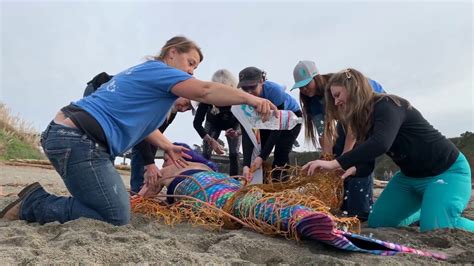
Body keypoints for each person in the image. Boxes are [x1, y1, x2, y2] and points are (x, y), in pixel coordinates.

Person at [0, 35, 278, 226]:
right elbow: (206, 90)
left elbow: (142, 127)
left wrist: (167, 146)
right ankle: (32, 204)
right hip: (79, 140)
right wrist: (250, 98)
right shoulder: (162, 72)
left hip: (67, 135)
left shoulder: (145, 74)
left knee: (108, 204)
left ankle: (37, 203)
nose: (192, 72)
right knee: (115, 216)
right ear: (172, 53)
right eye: (191, 63)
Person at [134, 147, 446, 260]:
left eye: (172, 154)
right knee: (246, 201)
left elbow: (148, 193)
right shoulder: (181, 167)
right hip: (209, 186)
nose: (167, 157)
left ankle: (302, 217)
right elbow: (147, 195)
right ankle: (300, 216)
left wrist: (151, 187)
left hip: (205, 187)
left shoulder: (178, 163)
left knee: (242, 202)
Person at [302, 68, 473, 232]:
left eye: (337, 95)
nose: (336, 101)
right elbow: (368, 161)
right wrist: (352, 168)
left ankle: (434, 212)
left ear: (352, 88)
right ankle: (426, 210)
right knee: (378, 223)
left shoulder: (388, 104)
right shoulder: (362, 120)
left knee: (434, 228)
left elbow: (380, 143)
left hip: (446, 173)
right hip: (409, 178)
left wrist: (335, 162)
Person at [291, 60, 385, 221]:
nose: (304, 89)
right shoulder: (313, 102)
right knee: (337, 155)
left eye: (307, 84)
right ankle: (345, 205)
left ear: (317, 77)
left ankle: (361, 211)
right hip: (347, 122)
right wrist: (328, 159)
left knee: (357, 156)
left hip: (371, 107)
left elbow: (353, 129)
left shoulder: (338, 86)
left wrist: (344, 159)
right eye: (300, 87)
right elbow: (324, 133)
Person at [82, 73, 194, 193]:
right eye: (186, 103)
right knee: (107, 136)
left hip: (122, 107)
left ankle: (137, 190)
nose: (183, 109)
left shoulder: (172, 112)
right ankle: (96, 184)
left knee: (140, 151)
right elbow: (142, 133)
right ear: (181, 93)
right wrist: (149, 164)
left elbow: (155, 138)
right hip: (100, 88)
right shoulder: (159, 100)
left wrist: (150, 164)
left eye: (187, 109)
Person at [238, 67, 302, 182]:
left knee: (280, 152)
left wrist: (262, 157)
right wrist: (246, 164)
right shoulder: (242, 98)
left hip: (290, 118)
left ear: (261, 81)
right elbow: (246, 132)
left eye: (252, 87)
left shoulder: (274, 91)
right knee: (258, 150)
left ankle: (281, 185)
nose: (249, 92)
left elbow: (277, 128)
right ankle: (262, 183)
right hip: (265, 120)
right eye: (244, 88)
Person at [193, 69, 241, 176]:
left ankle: (235, 181)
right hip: (213, 124)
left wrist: (237, 132)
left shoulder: (238, 97)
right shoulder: (207, 98)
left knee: (234, 153)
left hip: (233, 124)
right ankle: (204, 178)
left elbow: (246, 121)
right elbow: (197, 123)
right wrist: (210, 140)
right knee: (206, 153)